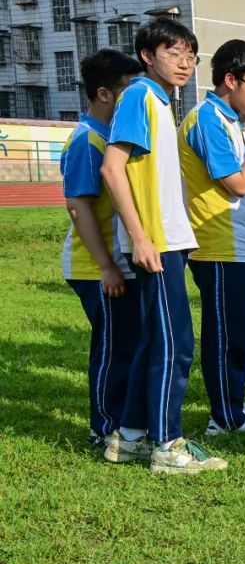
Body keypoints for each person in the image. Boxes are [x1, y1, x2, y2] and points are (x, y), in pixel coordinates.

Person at [100, 18, 227, 473]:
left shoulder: (157, 100)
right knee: (175, 343)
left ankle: (130, 436)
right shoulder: (139, 96)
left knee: (156, 338)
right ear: (148, 56)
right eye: (174, 53)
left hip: (166, 240)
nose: (185, 63)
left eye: (191, 56)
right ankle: (166, 445)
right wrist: (140, 237)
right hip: (155, 243)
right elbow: (112, 169)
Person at [178, 39, 245, 436]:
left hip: (238, 243)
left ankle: (235, 405)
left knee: (240, 330)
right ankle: (224, 417)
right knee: (224, 333)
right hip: (215, 244)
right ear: (230, 79)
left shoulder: (232, 122)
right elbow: (237, 183)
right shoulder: (207, 119)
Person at [61, 49, 143, 448]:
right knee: (112, 346)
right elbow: (78, 208)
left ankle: (119, 420)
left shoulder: (110, 137)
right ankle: (104, 427)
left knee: (125, 341)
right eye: (129, 89)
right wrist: (106, 265)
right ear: (105, 94)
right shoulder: (87, 141)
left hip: (115, 262)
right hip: (97, 267)